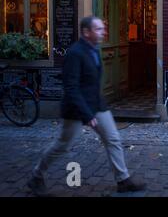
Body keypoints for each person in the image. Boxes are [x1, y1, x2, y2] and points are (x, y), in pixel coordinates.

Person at [27, 16, 146, 196]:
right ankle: (36, 176)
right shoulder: (75, 53)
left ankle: (123, 180)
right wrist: (87, 115)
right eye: (98, 29)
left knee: (113, 139)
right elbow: (71, 88)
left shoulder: (94, 49)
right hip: (76, 109)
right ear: (86, 32)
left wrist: (97, 107)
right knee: (63, 145)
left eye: (102, 28)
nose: (103, 32)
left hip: (97, 105)